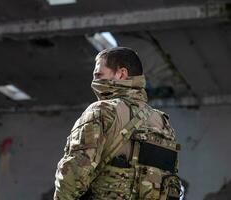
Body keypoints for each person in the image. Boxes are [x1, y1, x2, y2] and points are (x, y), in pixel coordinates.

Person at [54, 47, 181, 200]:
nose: (95, 81)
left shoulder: (102, 111)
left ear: (121, 74)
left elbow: (73, 175)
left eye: (99, 75)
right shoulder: (163, 122)